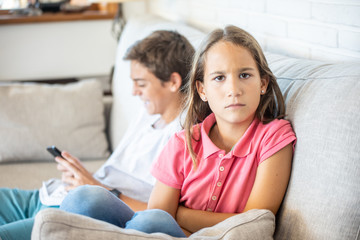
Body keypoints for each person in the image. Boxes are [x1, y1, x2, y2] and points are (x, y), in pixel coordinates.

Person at [60, 25, 297, 238]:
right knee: (83, 198)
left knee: (151, 221)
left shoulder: (274, 137)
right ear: (202, 89)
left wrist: (178, 214)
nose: (233, 89)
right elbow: (158, 216)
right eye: (219, 78)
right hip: (162, 234)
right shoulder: (184, 142)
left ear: (263, 83)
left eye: (244, 75)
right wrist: (171, 217)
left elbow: (253, 221)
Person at [0, 30, 195, 240]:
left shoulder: (182, 138)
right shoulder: (148, 114)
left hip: (72, 213)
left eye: (141, 83)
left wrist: (100, 190)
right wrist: (86, 178)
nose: (133, 92)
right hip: (51, 196)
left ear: (174, 82)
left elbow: (158, 213)